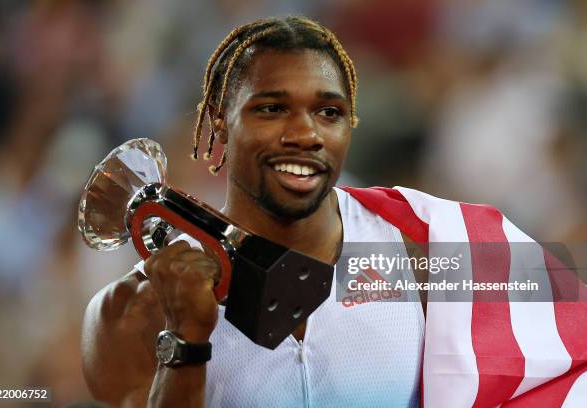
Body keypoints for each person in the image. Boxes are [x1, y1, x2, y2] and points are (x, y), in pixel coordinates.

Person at [82, 16, 586, 408]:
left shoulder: (422, 248)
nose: (305, 134)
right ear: (218, 121)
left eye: (329, 113)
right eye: (271, 108)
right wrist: (187, 339)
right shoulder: (135, 308)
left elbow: (575, 347)